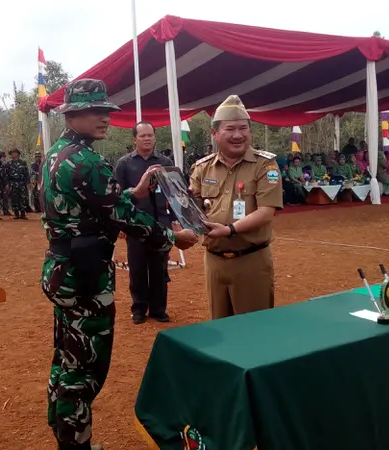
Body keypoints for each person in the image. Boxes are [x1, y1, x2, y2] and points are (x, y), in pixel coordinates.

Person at [41, 79, 197, 450]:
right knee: (85, 369)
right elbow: (124, 217)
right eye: (95, 112)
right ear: (73, 114)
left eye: (106, 111)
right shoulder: (88, 161)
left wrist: (133, 192)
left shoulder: (56, 154)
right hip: (85, 277)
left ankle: (65, 433)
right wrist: (172, 239)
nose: (105, 119)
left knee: (66, 356)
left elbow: (94, 203)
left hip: (63, 271)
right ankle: (76, 443)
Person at [189, 94, 283, 320]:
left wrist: (230, 230)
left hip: (251, 261)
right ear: (215, 134)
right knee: (220, 326)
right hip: (214, 261)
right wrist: (182, 216)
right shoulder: (202, 168)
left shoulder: (265, 165)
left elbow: (265, 211)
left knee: (254, 330)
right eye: (230, 129)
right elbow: (194, 207)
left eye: (243, 129)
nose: (238, 135)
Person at [115, 121, 176, 324]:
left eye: (150, 135)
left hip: (161, 222)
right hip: (135, 223)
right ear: (135, 139)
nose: (147, 138)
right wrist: (122, 225)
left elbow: (174, 194)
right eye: (143, 136)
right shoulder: (124, 163)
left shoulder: (165, 162)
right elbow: (118, 196)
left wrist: (174, 220)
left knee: (159, 268)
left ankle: (159, 309)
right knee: (138, 268)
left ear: (155, 137)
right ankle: (139, 308)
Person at [7, 148, 30, 219]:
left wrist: (28, 183)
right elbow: (7, 174)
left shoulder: (23, 162)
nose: (13, 154)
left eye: (15, 153)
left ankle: (23, 214)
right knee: (14, 199)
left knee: (23, 198)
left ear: (18, 154)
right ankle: (16, 214)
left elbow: (26, 173)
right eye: (12, 153)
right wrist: (8, 184)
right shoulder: (9, 163)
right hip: (13, 183)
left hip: (22, 183)